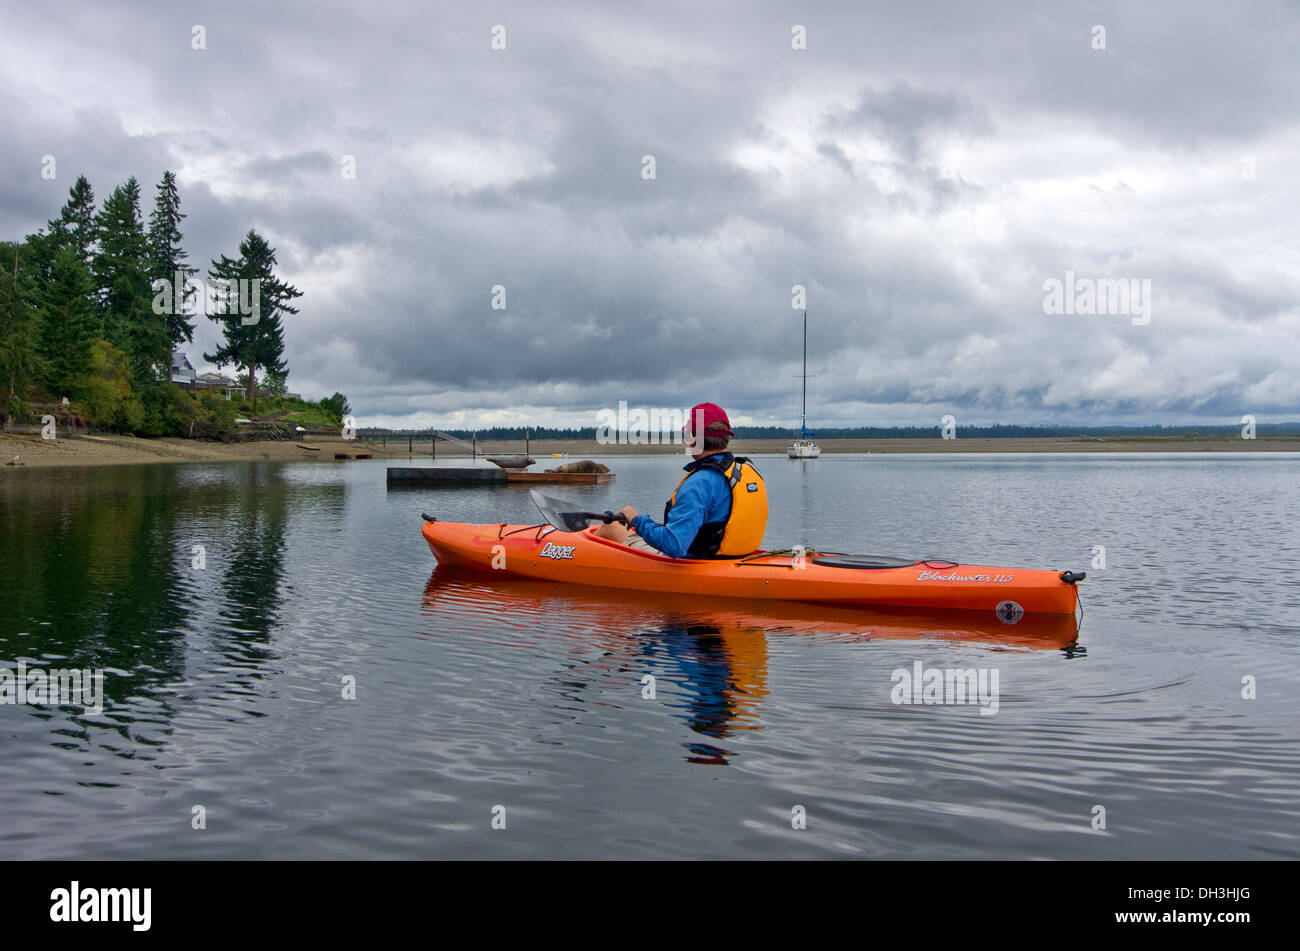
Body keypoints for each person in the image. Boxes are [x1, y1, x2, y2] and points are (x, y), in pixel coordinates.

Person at [595, 402, 768, 558]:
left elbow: (674, 545)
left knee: (610, 528)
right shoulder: (744, 471)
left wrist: (635, 519)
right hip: (738, 558)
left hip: (693, 564)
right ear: (726, 438)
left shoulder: (699, 484)